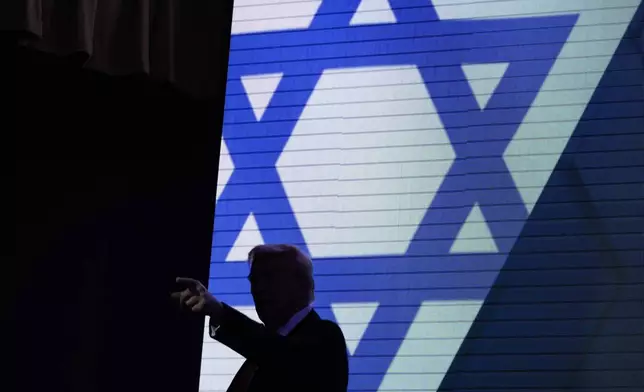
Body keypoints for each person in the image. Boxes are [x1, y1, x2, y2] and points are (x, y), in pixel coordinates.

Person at [172, 244, 349, 392]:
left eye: (270, 277)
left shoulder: (325, 337)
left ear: (304, 284)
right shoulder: (259, 354)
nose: (260, 288)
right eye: (255, 280)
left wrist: (220, 312)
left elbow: (281, 355)